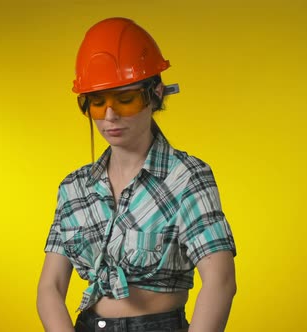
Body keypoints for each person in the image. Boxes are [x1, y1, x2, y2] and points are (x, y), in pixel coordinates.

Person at [37, 17, 237, 332]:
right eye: (98, 104)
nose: (110, 116)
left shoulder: (187, 178)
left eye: (125, 99)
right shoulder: (74, 188)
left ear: (155, 94)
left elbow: (221, 281)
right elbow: (50, 287)